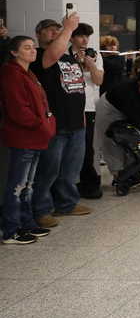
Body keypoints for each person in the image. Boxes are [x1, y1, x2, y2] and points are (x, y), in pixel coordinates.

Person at [31, 15, 90, 228]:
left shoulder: (68, 58)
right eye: (49, 29)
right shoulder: (38, 56)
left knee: (70, 170)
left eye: (58, 29)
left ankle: (66, 203)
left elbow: (76, 87)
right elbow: (51, 56)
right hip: (54, 125)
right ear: (38, 35)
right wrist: (68, 28)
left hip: (76, 123)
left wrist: (82, 115)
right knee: (48, 170)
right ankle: (41, 209)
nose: (55, 32)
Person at [1, 37, 56, 244]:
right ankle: (11, 229)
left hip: (36, 137)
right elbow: (18, 110)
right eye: (27, 48)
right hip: (23, 137)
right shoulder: (10, 74)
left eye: (33, 47)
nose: (33, 51)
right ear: (14, 52)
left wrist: (47, 124)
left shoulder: (28, 73)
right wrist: (41, 125)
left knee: (28, 185)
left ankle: (27, 222)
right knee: (17, 185)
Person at [70, 24, 104, 199]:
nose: (84, 40)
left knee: (88, 148)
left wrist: (90, 64)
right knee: (70, 149)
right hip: (69, 107)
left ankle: (90, 184)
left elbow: (98, 80)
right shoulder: (66, 55)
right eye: (80, 36)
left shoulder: (95, 55)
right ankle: (70, 184)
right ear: (72, 38)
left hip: (89, 107)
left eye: (87, 36)